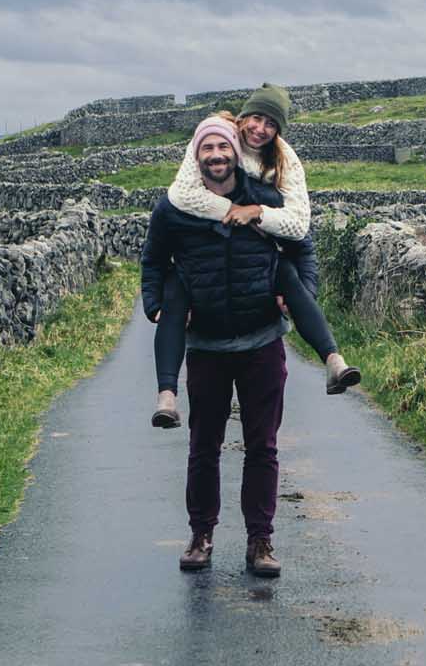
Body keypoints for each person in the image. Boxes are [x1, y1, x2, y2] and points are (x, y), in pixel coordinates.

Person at [140, 115, 309, 576]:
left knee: (262, 446)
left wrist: (300, 293)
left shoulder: (265, 200)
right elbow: (153, 259)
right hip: (208, 345)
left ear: (237, 152)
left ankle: (261, 542)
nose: (216, 156)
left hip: (262, 340)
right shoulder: (174, 208)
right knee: (203, 445)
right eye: (206, 149)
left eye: (223, 148)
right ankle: (201, 535)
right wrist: (155, 305)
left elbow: (300, 246)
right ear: (195, 156)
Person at [150, 82, 358, 428]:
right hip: (205, 278)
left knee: (287, 273)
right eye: (256, 118)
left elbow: (298, 229)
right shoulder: (212, 136)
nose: (261, 129)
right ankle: (166, 396)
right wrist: (234, 210)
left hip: (258, 271)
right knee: (175, 287)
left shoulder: (284, 162)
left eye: (271, 124)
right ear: (242, 117)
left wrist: (257, 212)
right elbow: (182, 195)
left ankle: (333, 360)